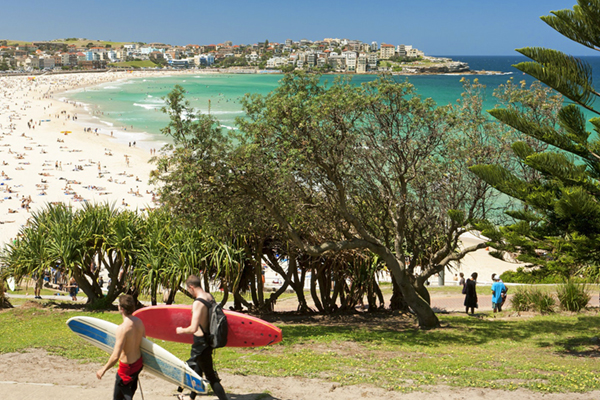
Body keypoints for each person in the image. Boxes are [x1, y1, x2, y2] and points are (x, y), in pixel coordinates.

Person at [176, 275, 228, 400]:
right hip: (209, 339)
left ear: (191, 287)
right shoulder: (209, 297)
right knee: (197, 371)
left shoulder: (198, 302)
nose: (189, 292)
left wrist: (181, 330)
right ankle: (190, 398)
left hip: (201, 343)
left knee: (210, 377)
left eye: (188, 290)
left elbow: (193, 328)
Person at [96, 295, 145, 400]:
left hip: (126, 370)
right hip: (137, 365)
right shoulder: (139, 322)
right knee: (128, 395)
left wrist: (103, 369)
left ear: (121, 308)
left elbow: (115, 356)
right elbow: (144, 343)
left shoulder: (122, 329)